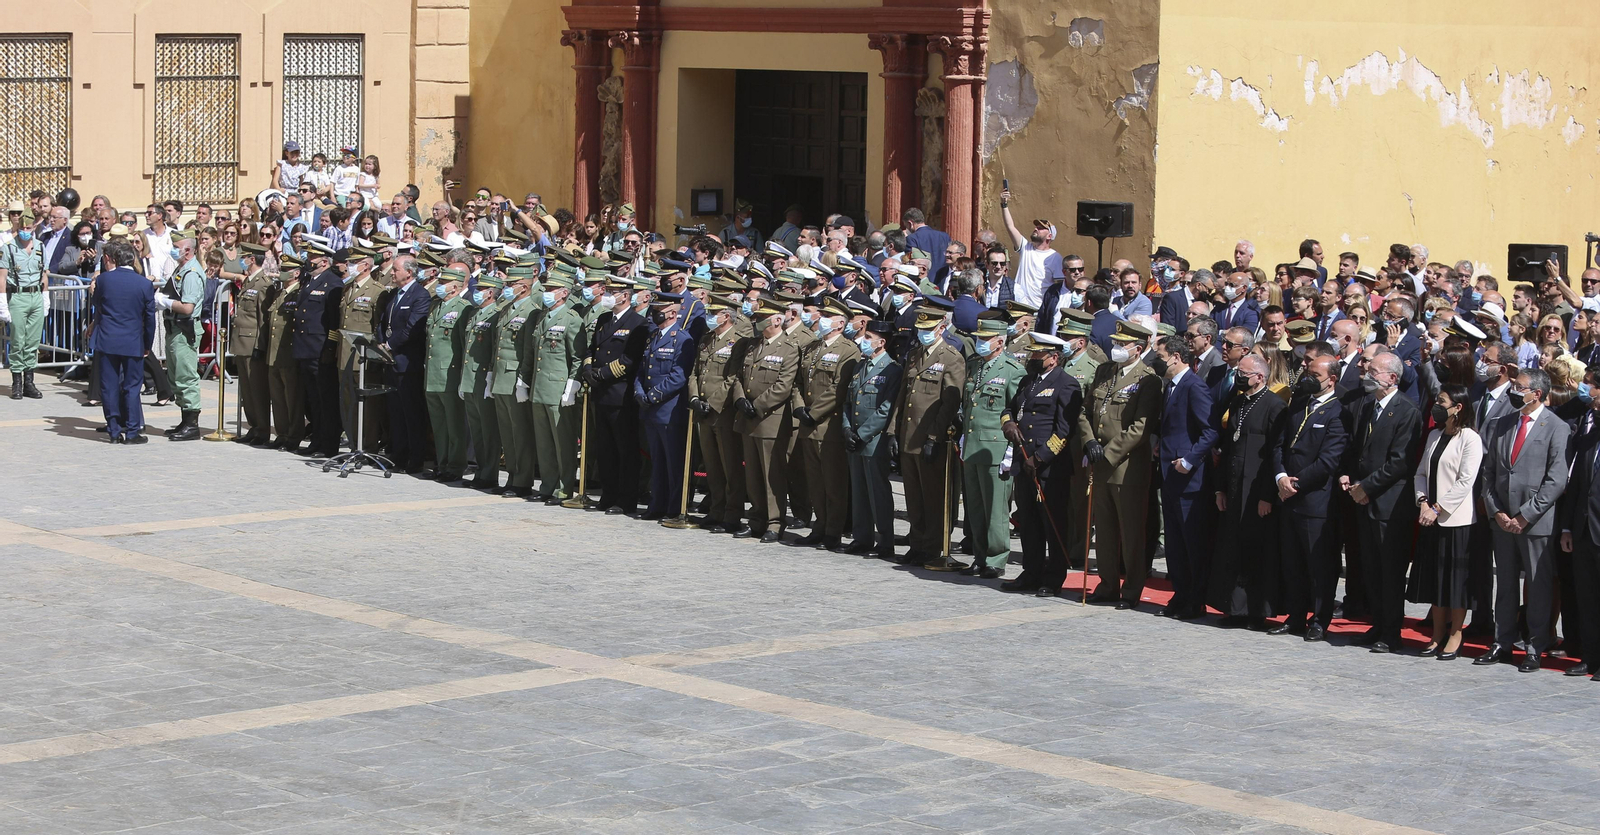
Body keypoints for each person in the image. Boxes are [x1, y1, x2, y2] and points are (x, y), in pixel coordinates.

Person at [1476, 368, 1569, 672]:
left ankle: (1535, 645)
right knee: (1504, 584)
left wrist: (1525, 515)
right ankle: (1502, 642)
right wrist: (1497, 511)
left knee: (1538, 586)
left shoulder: (1556, 427)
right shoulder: (1503, 423)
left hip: (1535, 522)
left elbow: (1556, 480)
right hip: (1502, 520)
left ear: (1537, 394)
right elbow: (1489, 472)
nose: (1514, 391)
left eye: (1520, 387)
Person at [1341, 351, 1423, 652]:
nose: (1367, 375)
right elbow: (1358, 449)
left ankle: (1391, 632)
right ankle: (1377, 624)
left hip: (1389, 504)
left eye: (1374, 371)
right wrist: (1350, 476)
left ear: (1392, 377)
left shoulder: (1406, 411)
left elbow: (1400, 461)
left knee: (1390, 571)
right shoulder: (1368, 406)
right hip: (1363, 500)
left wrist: (1367, 486)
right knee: (1371, 569)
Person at [1081, 319, 1161, 608]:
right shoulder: (1105, 371)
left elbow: (1140, 428)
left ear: (1137, 348)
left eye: (1122, 344)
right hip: (1098, 463)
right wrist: (1089, 441)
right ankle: (1107, 585)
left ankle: (1132, 590)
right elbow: (1085, 411)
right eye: (1115, 342)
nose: (1116, 347)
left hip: (1126, 467)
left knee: (1131, 533)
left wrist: (1108, 452)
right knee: (1104, 531)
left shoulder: (1148, 379)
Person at [1269, 355, 1347, 641]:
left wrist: (1296, 483)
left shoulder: (1338, 411)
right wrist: (1280, 476)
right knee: (1292, 563)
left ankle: (1320, 619)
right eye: (1307, 372)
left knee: (1319, 566)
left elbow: (1328, 461)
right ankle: (1295, 616)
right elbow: (1279, 445)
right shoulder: (1299, 403)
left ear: (1331, 379)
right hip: (1287, 495)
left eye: (1315, 375)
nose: (1308, 378)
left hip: (1315, 500)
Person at [1000, 331, 1083, 595]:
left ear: (1053, 358)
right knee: (1028, 522)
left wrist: (1040, 458)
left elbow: (1065, 430)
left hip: (1048, 467)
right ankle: (1031, 572)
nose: (1032, 358)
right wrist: (1008, 423)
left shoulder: (1066, 384)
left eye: (1038, 354)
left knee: (1052, 523)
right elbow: (1009, 408)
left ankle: (1054, 577)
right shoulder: (1029, 381)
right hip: (1023, 460)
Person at [1409, 384, 1483, 661]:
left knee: (1455, 581)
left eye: (1442, 402)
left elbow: (1466, 481)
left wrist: (1438, 508)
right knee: (1436, 579)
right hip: (1430, 517)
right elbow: (1420, 473)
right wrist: (1423, 501)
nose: (1436, 406)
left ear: (1458, 407)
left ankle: (1455, 633)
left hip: (1456, 521)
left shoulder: (1470, 438)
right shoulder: (1434, 435)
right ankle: (1436, 633)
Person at [888, 308, 966, 565]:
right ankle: (917, 543)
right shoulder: (914, 355)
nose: (923, 334)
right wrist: (892, 431)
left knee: (932, 496)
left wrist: (934, 436)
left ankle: (932, 546)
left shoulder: (951, 357)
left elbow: (949, 403)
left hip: (930, 437)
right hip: (909, 435)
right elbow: (903, 396)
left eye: (928, 329)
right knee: (913, 496)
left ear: (941, 328)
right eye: (920, 329)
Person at [1154, 333, 1217, 618]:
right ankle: (1180, 595)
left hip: (1188, 478)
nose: (1157, 362)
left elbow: (1209, 431)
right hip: (1169, 475)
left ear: (1176, 357)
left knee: (1192, 543)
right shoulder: (1170, 387)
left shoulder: (1194, 386)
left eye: (1160, 356)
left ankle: (1195, 600)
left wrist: (1190, 459)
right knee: (1176, 543)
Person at [792, 298, 860, 550]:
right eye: (822, 315)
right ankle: (819, 527)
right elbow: (799, 382)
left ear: (840, 324)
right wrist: (799, 406)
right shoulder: (813, 347)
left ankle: (833, 531)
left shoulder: (848, 350)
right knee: (815, 482)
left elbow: (839, 389)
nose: (821, 320)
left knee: (833, 483)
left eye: (827, 317)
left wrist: (814, 412)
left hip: (829, 425)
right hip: (807, 423)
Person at [959, 314, 1024, 578]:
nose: (980, 342)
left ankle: (996, 558)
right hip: (972, 444)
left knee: (996, 507)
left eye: (986, 338)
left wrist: (1010, 450)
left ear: (999, 342)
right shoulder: (974, 364)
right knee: (975, 506)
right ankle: (979, 555)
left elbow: (1015, 412)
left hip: (996, 446)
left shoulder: (1012, 369)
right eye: (979, 338)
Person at [732, 298, 803, 542]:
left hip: (770, 419)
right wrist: (740, 400)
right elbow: (739, 376)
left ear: (777, 320)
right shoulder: (753, 345)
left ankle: (775, 522)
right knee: (753, 475)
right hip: (748, 418)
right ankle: (756, 519)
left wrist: (757, 406)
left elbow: (784, 386)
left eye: (762, 318)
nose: (757, 322)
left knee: (772, 475)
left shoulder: (789, 348)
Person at [585, 276, 650, 515]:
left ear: (625, 296)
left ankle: (625, 499)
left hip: (620, 393)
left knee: (625, 449)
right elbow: (593, 348)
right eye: (607, 290)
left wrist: (602, 374)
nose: (608, 295)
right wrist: (587, 369)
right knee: (605, 449)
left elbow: (630, 359)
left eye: (613, 292)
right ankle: (608, 494)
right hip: (601, 393)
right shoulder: (604, 319)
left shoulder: (638, 323)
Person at [688, 297, 750, 534]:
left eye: (715, 313)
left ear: (726, 316)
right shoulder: (707, 339)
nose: (710, 317)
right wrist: (695, 398)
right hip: (702, 410)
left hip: (722, 411)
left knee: (730, 466)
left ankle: (732, 514)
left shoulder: (738, 341)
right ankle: (716, 510)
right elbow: (695, 372)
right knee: (712, 465)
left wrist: (712, 403)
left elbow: (733, 377)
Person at [842, 319, 902, 559]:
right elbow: (848, 402)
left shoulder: (892, 370)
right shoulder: (860, 366)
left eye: (868, 338)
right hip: (855, 439)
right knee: (859, 492)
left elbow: (886, 408)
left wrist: (862, 434)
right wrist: (847, 429)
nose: (863, 341)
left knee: (878, 493)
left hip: (874, 441)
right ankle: (862, 538)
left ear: (881, 342)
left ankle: (885, 541)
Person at [634, 291, 696, 518]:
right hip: (650, 409)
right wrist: (639, 391)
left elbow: (678, 376)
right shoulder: (653, 336)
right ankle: (657, 505)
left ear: (672, 313)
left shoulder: (682, 339)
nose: (654, 314)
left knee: (673, 462)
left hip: (668, 409)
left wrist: (653, 396)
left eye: (659, 310)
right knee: (657, 461)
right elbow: (643, 370)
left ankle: (674, 507)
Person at [88, 240, 156, 443]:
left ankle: (114, 430)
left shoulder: (104, 280)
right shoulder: (144, 283)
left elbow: (97, 303)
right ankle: (133, 431)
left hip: (108, 340)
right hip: (133, 341)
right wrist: (147, 344)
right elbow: (149, 318)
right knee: (132, 387)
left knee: (109, 386)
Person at [528, 272, 585, 504]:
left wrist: (572, 385)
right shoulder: (543, 316)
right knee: (543, 442)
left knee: (563, 442)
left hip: (558, 388)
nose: (547, 293)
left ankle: (563, 488)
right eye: (546, 288)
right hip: (539, 387)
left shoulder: (572, 319)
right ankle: (547, 485)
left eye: (552, 289)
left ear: (564, 293)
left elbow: (577, 357)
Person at [1559, 382, 1600, 679]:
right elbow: (1575, 486)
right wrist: (1567, 528)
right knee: (1587, 598)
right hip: (1584, 531)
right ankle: (1590, 657)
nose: (1593, 407)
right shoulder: (1589, 439)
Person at [292, 243, 346, 457]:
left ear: (324, 261)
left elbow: (334, 320)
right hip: (305, 347)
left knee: (326, 400)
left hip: (320, 348)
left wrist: (330, 347)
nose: (308, 261)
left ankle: (328, 444)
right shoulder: (309, 280)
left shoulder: (332, 283)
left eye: (312, 258)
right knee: (313, 399)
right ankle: (317, 440)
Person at [491, 265, 540, 498]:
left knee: (520, 432)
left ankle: (523, 480)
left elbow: (528, 350)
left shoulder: (531, 311)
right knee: (507, 432)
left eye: (512, 284)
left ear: (524, 286)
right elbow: (497, 345)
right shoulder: (506, 308)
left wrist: (523, 379)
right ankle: (512, 476)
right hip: (500, 376)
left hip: (515, 377)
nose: (508, 288)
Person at [379, 254, 430, 473]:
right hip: (390, 361)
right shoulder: (394, 295)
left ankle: (415, 458)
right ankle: (398, 456)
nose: (391, 273)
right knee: (396, 413)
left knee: (412, 413)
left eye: (395, 270)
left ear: (409, 272)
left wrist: (389, 345)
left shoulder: (420, 295)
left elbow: (412, 328)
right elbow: (383, 322)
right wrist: (381, 343)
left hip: (408, 363)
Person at [422, 267, 473, 481]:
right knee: (439, 425)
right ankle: (442, 463)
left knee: (454, 425)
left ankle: (455, 466)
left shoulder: (464, 308)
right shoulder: (435, 305)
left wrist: (462, 376)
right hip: (432, 373)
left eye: (444, 282)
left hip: (449, 374)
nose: (440, 285)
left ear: (455, 287)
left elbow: (463, 346)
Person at [336, 248, 388, 454]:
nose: (348, 266)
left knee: (367, 407)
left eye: (353, 262)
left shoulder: (377, 291)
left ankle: (368, 446)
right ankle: (353, 444)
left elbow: (377, 328)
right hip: (344, 356)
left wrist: (374, 356)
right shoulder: (348, 287)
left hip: (363, 358)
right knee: (348, 404)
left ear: (365, 265)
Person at [154, 231, 206, 440]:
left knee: (186, 376)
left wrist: (165, 302)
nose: (173, 250)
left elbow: (187, 307)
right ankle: (185, 421)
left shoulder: (191, 273)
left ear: (188, 250)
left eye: (177, 247)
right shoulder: (181, 268)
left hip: (185, 329)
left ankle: (192, 425)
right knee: (176, 376)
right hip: (175, 328)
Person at [460, 271, 506, 490]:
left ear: (490, 293)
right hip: (470, 378)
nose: (476, 292)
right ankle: (480, 471)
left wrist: (490, 377)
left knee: (488, 430)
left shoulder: (496, 315)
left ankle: (489, 474)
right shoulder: (475, 314)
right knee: (476, 429)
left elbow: (494, 349)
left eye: (480, 289)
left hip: (484, 378)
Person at [228, 242, 273, 445]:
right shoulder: (249, 281)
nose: (242, 260)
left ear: (252, 259)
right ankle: (253, 427)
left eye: (244, 257)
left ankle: (262, 430)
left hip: (252, 343)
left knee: (257, 390)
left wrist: (260, 347)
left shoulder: (263, 284)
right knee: (247, 391)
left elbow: (263, 320)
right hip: (241, 342)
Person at [0, 216, 46, 399]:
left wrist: (46, 298)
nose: (25, 231)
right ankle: (17, 382)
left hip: (36, 295)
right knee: (18, 340)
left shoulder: (40, 246)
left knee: (33, 341)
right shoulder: (8, 248)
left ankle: (29, 382)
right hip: (18, 296)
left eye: (29, 228)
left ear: (34, 227)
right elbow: (2, 278)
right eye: (22, 228)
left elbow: (44, 274)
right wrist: (3, 303)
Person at [997, 187, 1062, 308]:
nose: (1036, 229)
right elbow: (1010, 226)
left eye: (1041, 228)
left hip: (1039, 309)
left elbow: (1059, 287)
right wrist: (1004, 204)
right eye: (1036, 226)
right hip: (1018, 306)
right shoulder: (1026, 248)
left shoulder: (1055, 257)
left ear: (1050, 236)